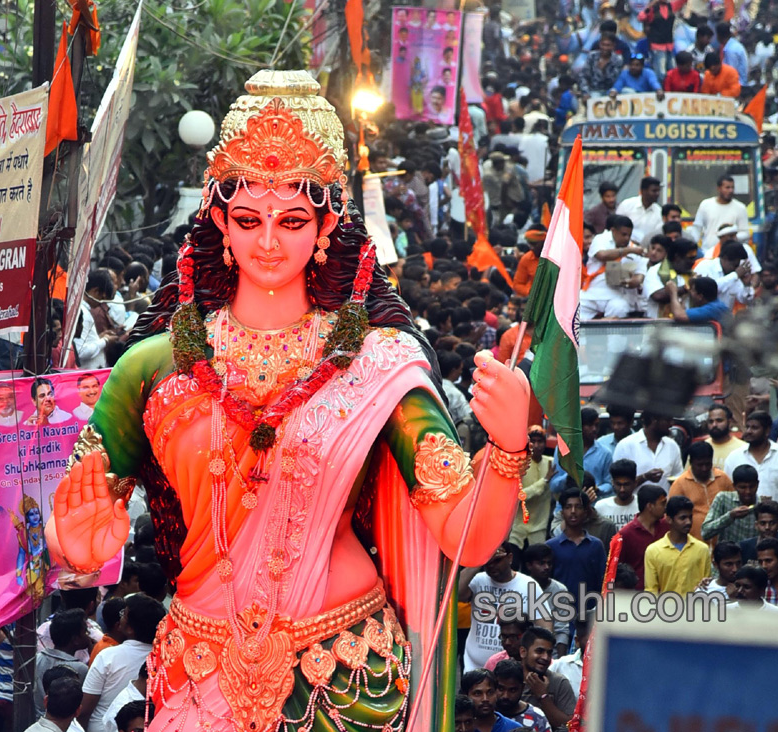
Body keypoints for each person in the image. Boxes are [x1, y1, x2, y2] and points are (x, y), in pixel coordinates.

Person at [47, 71, 532, 732]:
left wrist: (506, 450)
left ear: (327, 222)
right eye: (248, 219)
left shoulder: (377, 362)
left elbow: (468, 539)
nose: (269, 241)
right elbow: (79, 527)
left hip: (345, 668)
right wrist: (74, 541)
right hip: (201, 665)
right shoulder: (152, 367)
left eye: (293, 219)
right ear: (218, 219)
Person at [78, 595, 165, 732]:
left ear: (130, 628)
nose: (120, 617)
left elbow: (85, 709)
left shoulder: (108, 656)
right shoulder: (163, 659)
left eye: (123, 614)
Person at [460, 546, 537, 671]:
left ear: (510, 558)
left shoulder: (528, 584)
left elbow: (544, 625)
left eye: (497, 560)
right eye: (489, 562)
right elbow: (457, 593)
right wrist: (480, 560)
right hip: (474, 667)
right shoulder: (479, 580)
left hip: (511, 670)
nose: (492, 566)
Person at [546, 489, 607, 604]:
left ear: (585, 512)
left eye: (578, 507)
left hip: (590, 611)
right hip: (560, 611)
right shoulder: (551, 546)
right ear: (562, 512)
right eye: (568, 507)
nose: (573, 511)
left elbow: (603, 581)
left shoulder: (595, 545)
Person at [580, 215, 646, 321]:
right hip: (592, 294)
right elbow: (602, 255)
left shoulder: (635, 249)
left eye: (629, 235)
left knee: (620, 307)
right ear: (613, 231)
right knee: (573, 312)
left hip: (616, 296)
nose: (627, 238)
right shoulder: (600, 239)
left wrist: (629, 282)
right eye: (623, 234)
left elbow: (639, 278)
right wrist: (627, 250)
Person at [643, 496, 712, 595]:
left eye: (690, 517)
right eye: (682, 518)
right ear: (669, 519)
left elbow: (707, 586)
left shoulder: (702, 549)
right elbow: (651, 590)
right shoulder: (653, 551)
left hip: (695, 608)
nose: (688, 522)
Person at [723, 411, 778, 503]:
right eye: (747, 427)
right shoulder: (734, 457)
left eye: (754, 428)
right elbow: (728, 491)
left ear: (767, 431)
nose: (749, 431)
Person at [669, 441, 733, 541]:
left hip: (722, 542)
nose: (704, 468)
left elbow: (734, 503)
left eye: (708, 464)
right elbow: (671, 518)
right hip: (694, 544)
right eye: (700, 465)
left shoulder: (723, 478)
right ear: (691, 462)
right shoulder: (680, 484)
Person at [34, 609, 92, 718]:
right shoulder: (80, 669)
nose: (88, 635)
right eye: (85, 632)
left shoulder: (38, 659)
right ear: (75, 639)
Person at [519, 628, 577, 731]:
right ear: (523, 652)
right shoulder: (510, 680)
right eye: (539, 651)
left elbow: (571, 726)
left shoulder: (559, 683)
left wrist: (543, 697)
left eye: (549, 653)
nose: (546, 657)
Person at [550, 407, 614, 498]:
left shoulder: (605, 453)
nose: (594, 429)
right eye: (590, 425)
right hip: (566, 508)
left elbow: (609, 484)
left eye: (596, 425)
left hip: (593, 508)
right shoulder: (563, 450)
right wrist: (570, 475)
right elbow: (553, 486)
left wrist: (597, 489)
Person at [615, 484, 669, 590]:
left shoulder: (667, 527)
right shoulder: (625, 534)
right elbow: (618, 569)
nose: (665, 508)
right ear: (650, 506)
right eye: (662, 504)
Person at [612, 413, 684, 491]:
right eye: (667, 420)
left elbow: (678, 477)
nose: (671, 424)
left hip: (664, 502)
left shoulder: (672, 446)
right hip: (635, 502)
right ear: (654, 420)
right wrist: (645, 477)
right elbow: (618, 486)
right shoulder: (625, 445)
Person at [510, 427, 555, 548]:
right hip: (518, 530)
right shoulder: (519, 465)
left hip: (539, 528)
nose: (536, 445)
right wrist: (544, 481)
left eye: (540, 441)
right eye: (532, 441)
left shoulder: (551, 463)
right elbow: (518, 497)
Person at [689, 175, 750, 251]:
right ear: (719, 188)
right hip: (708, 252)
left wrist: (731, 237)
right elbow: (697, 228)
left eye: (732, 188)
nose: (730, 190)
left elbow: (745, 233)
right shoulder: (705, 205)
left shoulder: (740, 208)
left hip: (730, 253)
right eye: (727, 187)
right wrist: (692, 246)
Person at [492, 659, 552, 731]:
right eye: (501, 689)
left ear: (522, 688)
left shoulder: (536, 717)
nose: (506, 696)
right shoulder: (485, 714)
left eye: (512, 690)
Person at [594, 459, 639, 534]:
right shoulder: (601, 507)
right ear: (612, 483)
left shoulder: (641, 505)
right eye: (618, 484)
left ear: (635, 483)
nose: (622, 489)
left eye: (626, 484)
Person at [616, 176, 663, 246]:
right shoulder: (626, 205)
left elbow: (657, 237)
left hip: (646, 250)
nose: (657, 194)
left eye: (658, 191)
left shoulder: (659, 212)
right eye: (654, 191)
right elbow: (616, 228)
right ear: (643, 191)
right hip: (623, 247)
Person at [698, 404, 746, 469]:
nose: (714, 425)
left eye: (719, 421)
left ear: (730, 422)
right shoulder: (699, 449)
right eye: (711, 421)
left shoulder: (743, 449)